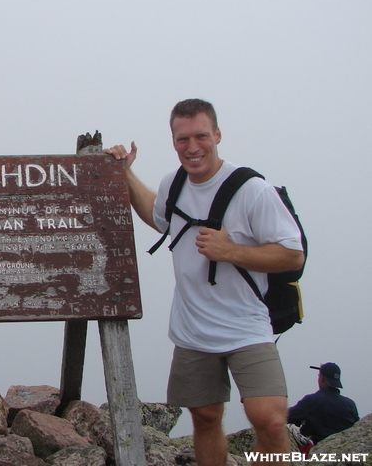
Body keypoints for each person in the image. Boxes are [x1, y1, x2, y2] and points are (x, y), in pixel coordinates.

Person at [105, 98, 305, 466]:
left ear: (217, 134)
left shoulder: (252, 190)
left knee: (271, 419)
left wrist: (231, 251)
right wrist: (125, 172)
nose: (192, 147)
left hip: (248, 328)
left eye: (200, 136)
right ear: (173, 140)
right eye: (183, 139)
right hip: (193, 331)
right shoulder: (175, 183)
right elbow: (159, 215)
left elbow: (293, 255)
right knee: (206, 416)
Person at [288, 363, 359, 445]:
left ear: (322, 378)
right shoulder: (350, 404)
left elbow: (287, 416)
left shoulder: (312, 400)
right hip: (344, 451)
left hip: (317, 450)